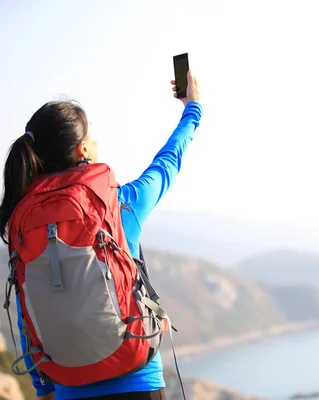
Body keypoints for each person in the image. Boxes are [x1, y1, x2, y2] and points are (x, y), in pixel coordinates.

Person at [0, 70, 202, 400]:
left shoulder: (25, 220)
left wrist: (43, 389)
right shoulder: (119, 205)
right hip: (137, 380)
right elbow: (168, 162)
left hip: (67, 386)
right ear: (82, 150)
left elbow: (27, 310)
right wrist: (192, 108)